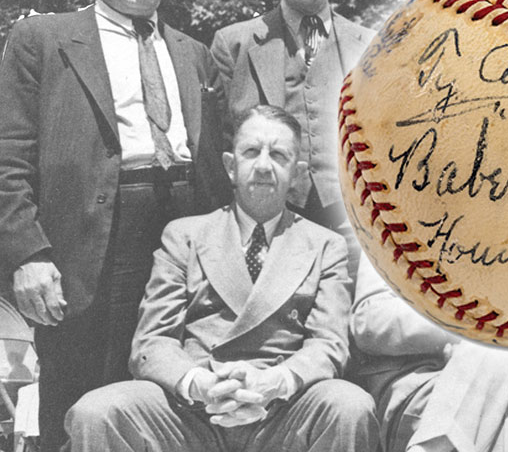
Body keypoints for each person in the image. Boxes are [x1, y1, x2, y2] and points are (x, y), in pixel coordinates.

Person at [0, 0, 227, 451]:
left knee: (169, 389)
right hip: (90, 244)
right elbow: (7, 156)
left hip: (182, 236)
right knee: (79, 402)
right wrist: (29, 255)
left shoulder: (193, 54)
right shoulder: (43, 40)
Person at [65, 105, 379, 451]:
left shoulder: (325, 245)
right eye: (251, 152)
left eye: (278, 155)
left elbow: (329, 345)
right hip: (192, 411)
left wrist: (273, 382)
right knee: (96, 412)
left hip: (282, 410)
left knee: (349, 406)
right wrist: (200, 383)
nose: (263, 165)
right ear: (230, 166)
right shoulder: (185, 235)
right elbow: (152, 342)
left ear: (297, 172)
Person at [211, 0, 375, 287]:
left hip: (351, 225)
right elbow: (217, 146)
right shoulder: (234, 44)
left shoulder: (369, 46)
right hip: (268, 222)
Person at [351, 255, 508, 452]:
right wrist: (456, 325)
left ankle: (431, 446)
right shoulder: (390, 218)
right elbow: (369, 320)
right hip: (423, 388)